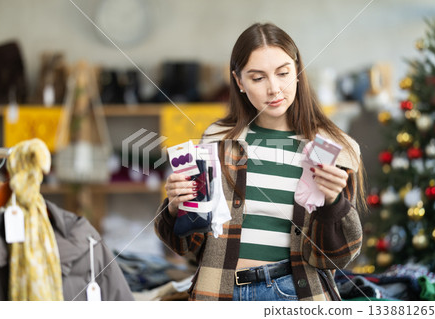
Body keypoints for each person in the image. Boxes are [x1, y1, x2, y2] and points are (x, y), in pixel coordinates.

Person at [155, 23, 365, 301]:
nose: (274, 89)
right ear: (239, 82)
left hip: (296, 296)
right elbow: (186, 245)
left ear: (298, 71)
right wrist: (175, 207)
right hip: (220, 293)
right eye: (258, 78)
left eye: (283, 73)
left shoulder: (333, 149)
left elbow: (337, 257)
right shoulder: (216, 141)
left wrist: (333, 203)